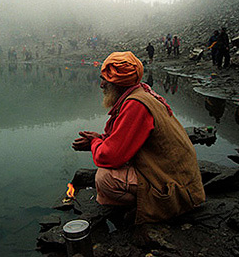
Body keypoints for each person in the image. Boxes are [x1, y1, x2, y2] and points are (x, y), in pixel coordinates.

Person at [72, 51, 205, 224]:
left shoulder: (136, 104)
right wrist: (100, 139)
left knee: (104, 178)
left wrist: (95, 143)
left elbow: (109, 157)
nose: (102, 85)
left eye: (106, 80)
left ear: (118, 85)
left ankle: (155, 207)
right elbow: (124, 138)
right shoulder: (141, 92)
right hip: (180, 180)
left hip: (179, 190)